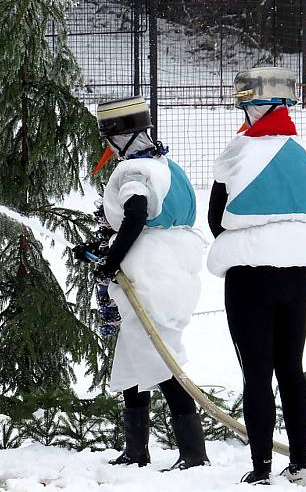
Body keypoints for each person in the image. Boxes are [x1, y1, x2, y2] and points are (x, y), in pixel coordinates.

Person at [73, 96, 209, 471]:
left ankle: (195, 455)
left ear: (122, 137)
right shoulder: (166, 166)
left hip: (151, 275)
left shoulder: (133, 171)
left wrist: (111, 260)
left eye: (111, 140)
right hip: (172, 268)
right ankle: (136, 451)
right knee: (135, 361)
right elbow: (149, 222)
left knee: (162, 362)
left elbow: (135, 216)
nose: (110, 148)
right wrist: (100, 248)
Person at [208, 67, 306, 486]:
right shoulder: (305, 158)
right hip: (298, 278)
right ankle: (299, 464)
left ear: (248, 107)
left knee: (256, 374)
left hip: (249, 279)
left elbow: (215, 220)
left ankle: (260, 467)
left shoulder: (238, 153)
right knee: (291, 370)